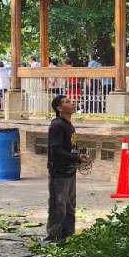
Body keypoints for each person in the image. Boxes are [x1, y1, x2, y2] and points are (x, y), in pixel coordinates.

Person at [45, 94, 87, 243]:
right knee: (59, 205)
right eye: (67, 102)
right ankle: (53, 237)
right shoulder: (57, 125)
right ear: (59, 108)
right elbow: (56, 150)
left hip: (70, 171)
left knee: (70, 206)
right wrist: (76, 158)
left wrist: (79, 155)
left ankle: (68, 235)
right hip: (59, 172)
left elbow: (70, 148)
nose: (72, 103)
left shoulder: (69, 125)